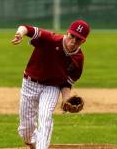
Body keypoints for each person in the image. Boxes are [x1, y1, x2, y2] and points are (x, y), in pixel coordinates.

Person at [11, 19, 90, 149]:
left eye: (79, 39)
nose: (74, 41)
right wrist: (20, 34)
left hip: (52, 87)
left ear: (84, 41)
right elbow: (26, 28)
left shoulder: (78, 59)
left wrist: (66, 98)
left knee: (45, 116)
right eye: (72, 36)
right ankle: (32, 143)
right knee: (26, 130)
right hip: (30, 84)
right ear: (67, 33)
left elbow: (67, 82)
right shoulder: (50, 39)